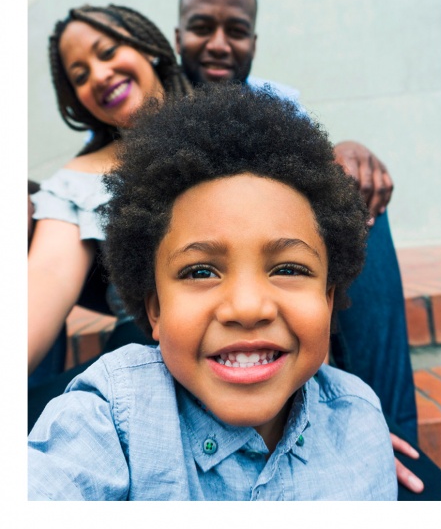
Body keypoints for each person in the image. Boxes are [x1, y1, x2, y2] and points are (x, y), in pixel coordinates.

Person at [29, 84, 397, 500]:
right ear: (155, 310)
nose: (246, 307)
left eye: (289, 268)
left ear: (328, 301)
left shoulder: (360, 423)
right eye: (200, 271)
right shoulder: (111, 417)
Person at [175, 0, 432, 495]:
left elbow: (317, 172)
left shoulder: (278, 103)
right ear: (179, 35)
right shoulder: (158, 103)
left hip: (275, 262)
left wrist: (349, 152)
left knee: (357, 203)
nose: (220, 43)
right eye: (202, 27)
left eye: (237, 31)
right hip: (197, 275)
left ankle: (393, 436)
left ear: (254, 40)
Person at [28, 5, 191, 381]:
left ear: (146, 46)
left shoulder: (236, 123)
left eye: (107, 52)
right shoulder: (76, 183)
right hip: (140, 369)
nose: (99, 75)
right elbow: (45, 278)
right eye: (80, 76)